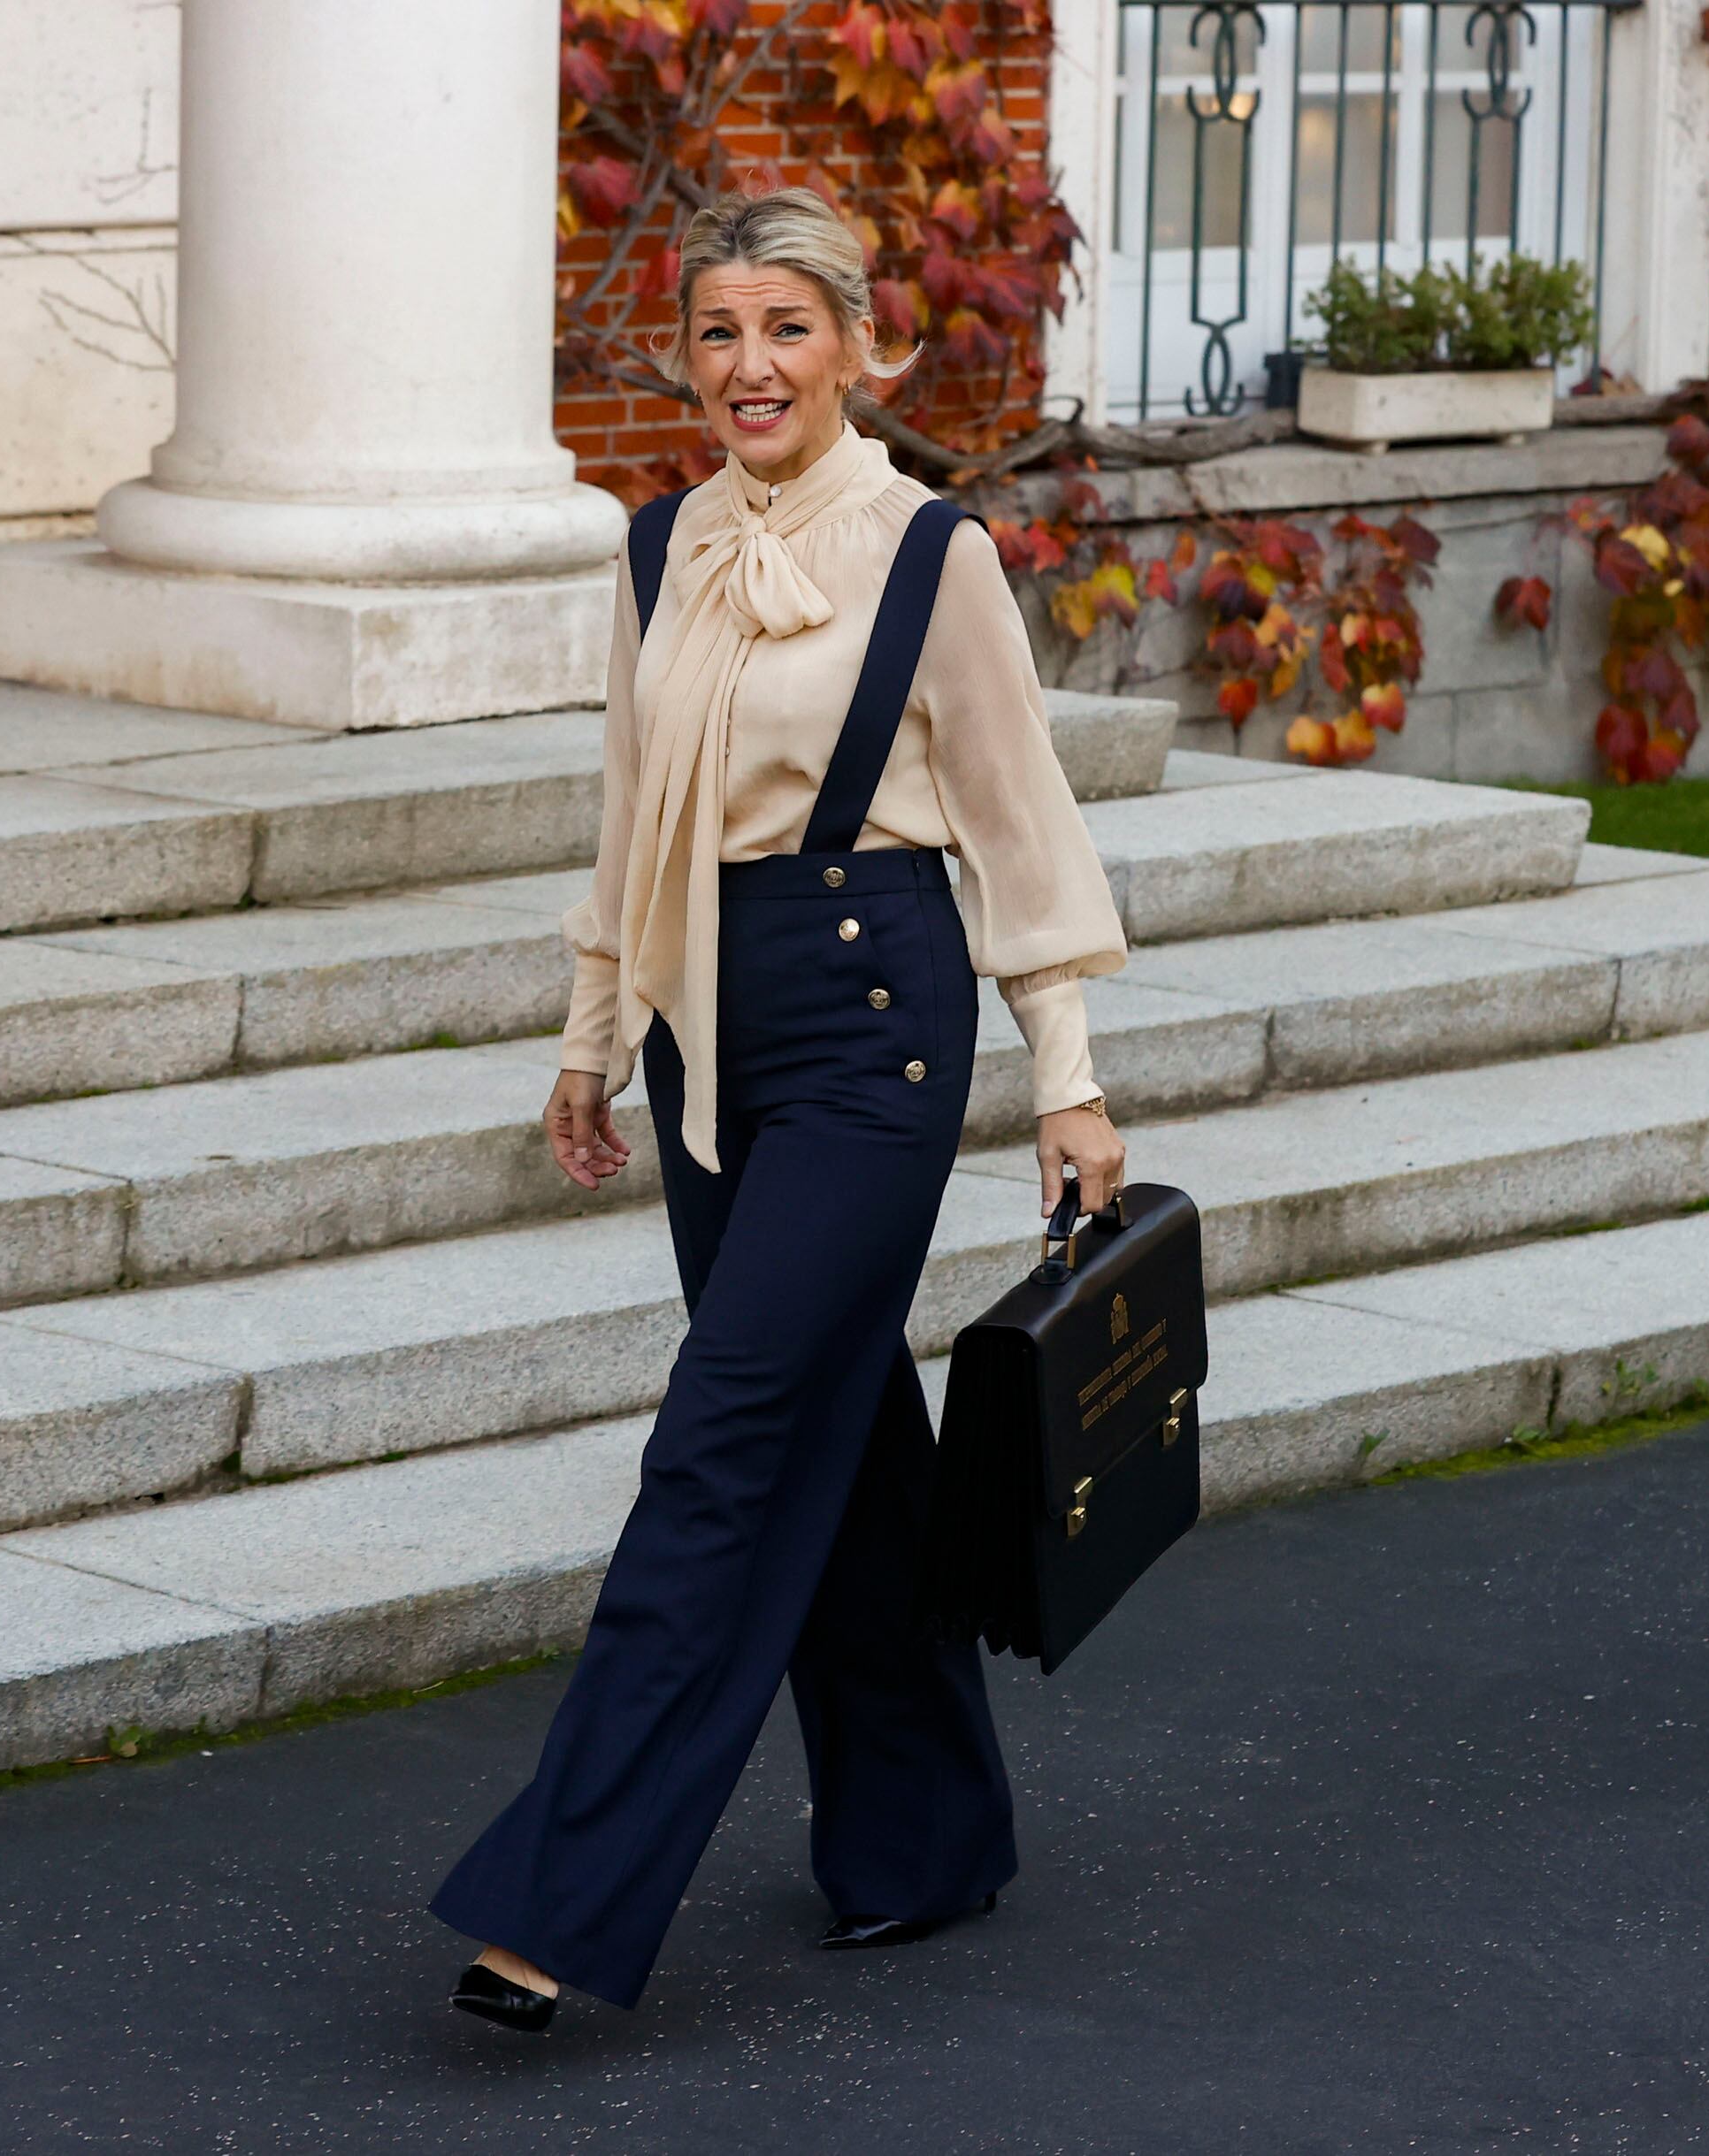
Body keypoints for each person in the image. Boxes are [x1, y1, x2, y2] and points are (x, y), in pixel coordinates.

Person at [435, 186, 1130, 2032]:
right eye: (721, 334)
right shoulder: (656, 546)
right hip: (699, 1029)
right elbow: (626, 807)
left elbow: (1016, 822)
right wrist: (594, 1032)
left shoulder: (929, 558)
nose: (751, 367)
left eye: (789, 330)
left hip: (870, 1027)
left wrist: (1066, 1078)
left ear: (856, 343)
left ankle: (562, 1894)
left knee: (720, 1443)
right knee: (838, 1434)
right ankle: (922, 1832)